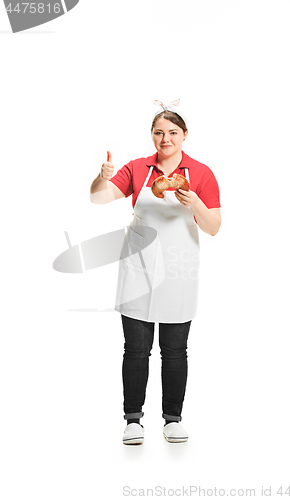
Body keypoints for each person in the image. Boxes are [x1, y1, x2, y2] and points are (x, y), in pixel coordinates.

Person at [90, 100, 221, 445]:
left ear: (185, 135)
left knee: (175, 351)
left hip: (179, 271)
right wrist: (99, 179)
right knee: (135, 349)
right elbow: (99, 199)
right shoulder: (137, 168)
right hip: (138, 270)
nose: (166, 139)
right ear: (152, 135)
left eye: (173, 132)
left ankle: (172, 420)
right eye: (159, 132)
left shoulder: (201, 173)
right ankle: (133, 421)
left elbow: (214, 228)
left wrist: (194, 204)